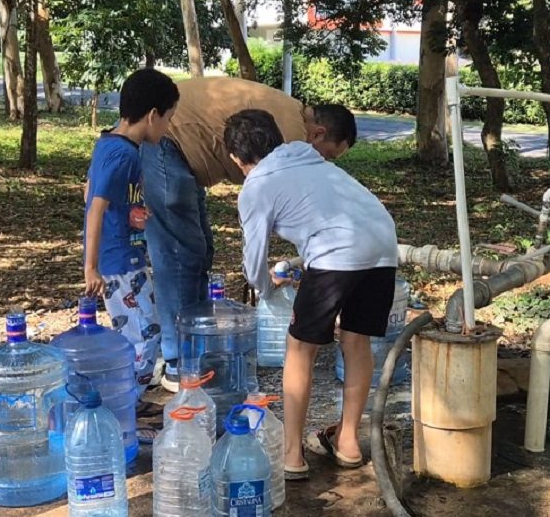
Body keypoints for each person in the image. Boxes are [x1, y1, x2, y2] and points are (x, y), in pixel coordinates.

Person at [139, 76, 351, 391]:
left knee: (198, 251)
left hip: (180, 150)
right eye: (330, 155)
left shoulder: (292, 120)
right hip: (167, 142)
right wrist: (278, 279)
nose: (326, 163)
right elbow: (281, 207)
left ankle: (195, 345)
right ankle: (179, 364)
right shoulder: (293, 140)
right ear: (318, 133)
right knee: (180, 254)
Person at [224, 108, 398, 481]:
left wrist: (267, 288)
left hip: (336, 253)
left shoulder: (256, 185)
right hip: (384, 244)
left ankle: (291, 454)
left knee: (300, 347)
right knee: (356, 341)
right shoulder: (307, 156)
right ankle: (348, 442)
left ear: (237, 158)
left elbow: (253, 264)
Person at [83, 68, 179, 393]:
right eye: (168, 119)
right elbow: (95, 207)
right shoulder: (123, 154)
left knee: (136, 331)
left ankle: (126, 399)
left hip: (127, 258)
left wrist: (131, 211)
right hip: (120, 263)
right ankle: (127, 404)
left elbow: (89, 191)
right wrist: (90, 267)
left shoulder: (109, 143)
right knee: (146, 333)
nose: (168, 128)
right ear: (152, 115)